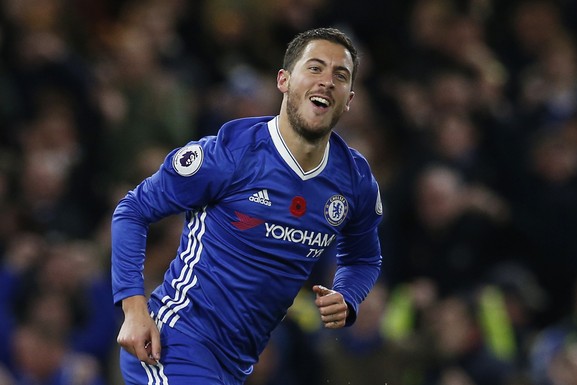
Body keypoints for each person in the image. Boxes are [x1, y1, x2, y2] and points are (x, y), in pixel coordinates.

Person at [110, 27, 384, 385]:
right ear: (284, 80)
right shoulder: (230, 153)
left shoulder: (354, 182)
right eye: (315, 68)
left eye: (340, 75)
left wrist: (347, 295)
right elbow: (132, 211)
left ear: (349, 99)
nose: (327, 81)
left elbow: (363, 258)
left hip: (235, 365)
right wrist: (133, 309)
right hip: (175, 342)